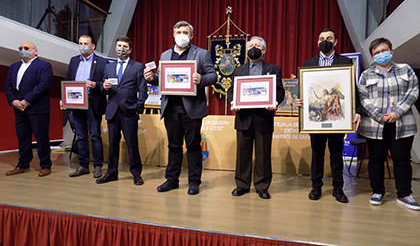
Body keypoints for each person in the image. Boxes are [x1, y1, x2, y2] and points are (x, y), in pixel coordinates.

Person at [144, 21, 217, 195]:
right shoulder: (165, 55)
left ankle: (194, 182)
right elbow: (162, 79)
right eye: (178, 32)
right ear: (173, 34)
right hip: (171, 108)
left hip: (192, 108)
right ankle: (171, 180)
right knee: (174, 146)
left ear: (191, 35)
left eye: (185, 32)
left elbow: (213, 75)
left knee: (193, 146)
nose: (181, 35)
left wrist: (201, 80)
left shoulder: (201, 53)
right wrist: (151, 78)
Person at [295, 28, 361, 203]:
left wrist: (357, 111)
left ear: (336, 42)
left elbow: (353, 91)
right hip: (316, 120)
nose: (325, 41)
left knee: (336, 153)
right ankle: (316, 187)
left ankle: (338, 189)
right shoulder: (308, 64)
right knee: (317, 153)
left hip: (337, 119)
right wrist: (299, 101)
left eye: (329, 38)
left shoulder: (345, 62)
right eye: (322, 38)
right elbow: (305, 92)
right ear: (317, 42)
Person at [358, 37, 420, 210]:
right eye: (376, 53)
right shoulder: (366, 75)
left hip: (402, 123)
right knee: (376, 159)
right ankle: (377, 191)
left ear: (391, 52)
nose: (380, 54)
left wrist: (396, 112)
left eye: (384, 51)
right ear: (372, 57)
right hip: (375, 125)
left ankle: (404, 194)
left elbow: (413, 91)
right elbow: (362, 98)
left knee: (402, 160)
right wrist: (379, 115)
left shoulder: (404, 70)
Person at [227, 36, 285, 199]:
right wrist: (233, 102)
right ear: (246, 51)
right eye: (251, 45)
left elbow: (280, 91)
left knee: (263, 154)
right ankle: (242, 185)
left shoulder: (273, 69)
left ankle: (262, 186)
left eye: (257, 45)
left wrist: (275, 102)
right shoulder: (238, 70)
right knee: (242, 154)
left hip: (263, 117)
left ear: (264, 50)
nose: (253, 47)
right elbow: (231, 91)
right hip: (243, 118)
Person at [96, 36, 148, 186]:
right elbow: (104, 88)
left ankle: (136, 174)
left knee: (132, 145)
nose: (121, 48)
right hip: (112, 111)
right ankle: (111, 173)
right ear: (115, 48)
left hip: (129, 111)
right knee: (113, 144)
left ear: (130, 49)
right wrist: (104, 88)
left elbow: (143, 90)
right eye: (119, 45)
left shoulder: (138, 66)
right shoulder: (109, 67)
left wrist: (138, 108)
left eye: (125, 46)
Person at [61, 35, 108, 178]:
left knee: (95, 136)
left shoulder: (102, 62)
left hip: (93, 103)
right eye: (80, 43)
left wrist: (96, 85)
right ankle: (83, 165)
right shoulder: (74, 60)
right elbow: (68, 81)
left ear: (93, 46)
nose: (82, 46)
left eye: (85, 43)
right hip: (76, 103)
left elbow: (106, 84)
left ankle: (98, 166)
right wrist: (64, 99)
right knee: (81, 136)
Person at [4, 41, 54, 177]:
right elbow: (8, 85)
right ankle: (23, 164)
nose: (22, 50)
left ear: (35, 51)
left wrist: (27, 101)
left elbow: (43, 85)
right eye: (20, 48)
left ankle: (45, 165)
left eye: (26, 48)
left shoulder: (44, 66)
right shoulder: (14, 66)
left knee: (41, 138)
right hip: (19, 109)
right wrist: (13, 101)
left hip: (37, 108)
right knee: (22, 137)